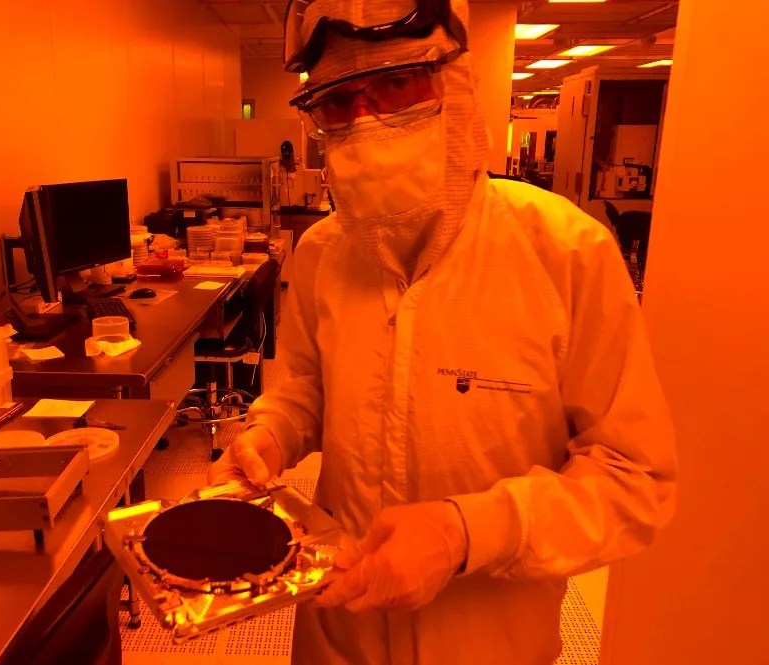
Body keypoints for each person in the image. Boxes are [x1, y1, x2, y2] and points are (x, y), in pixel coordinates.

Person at [209, 0, 677, 663]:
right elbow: (304, 391)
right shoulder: (321, 253)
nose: (367, 123)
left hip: (491, 646)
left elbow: (635, 480)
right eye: (339, 102)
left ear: (453, 85)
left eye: (397, 86)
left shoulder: (566, 254)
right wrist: (267, 435)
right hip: (339, 634)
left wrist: (468, 532)